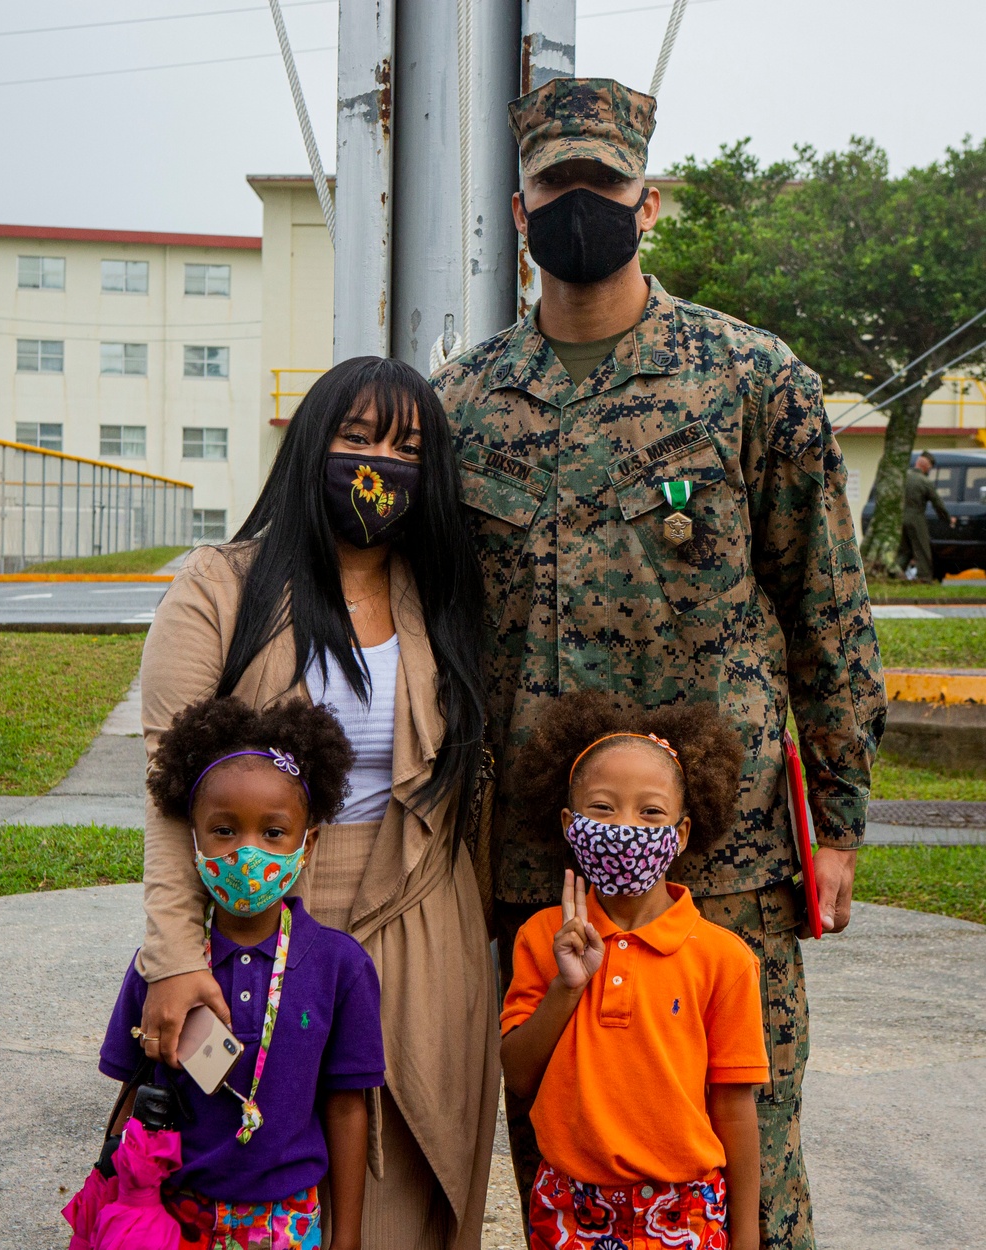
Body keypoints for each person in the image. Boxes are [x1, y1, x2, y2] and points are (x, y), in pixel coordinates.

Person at [433, 77, 887, 1250]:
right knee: (566, 1141)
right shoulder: (465, 404)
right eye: (556, 184)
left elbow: (825, 616)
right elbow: (440, 635)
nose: (580, 202)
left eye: (604, 183)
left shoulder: (753, 381)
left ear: (646, 200)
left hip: (724, 863)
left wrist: (833, 823)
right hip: (546, 863)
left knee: (745, 1143)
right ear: (518, 207)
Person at [134, 357, 500, 1250]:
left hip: (426, 918)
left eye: (409, 447)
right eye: (359, 437)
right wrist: (179, 957)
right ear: (310, 446)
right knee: (249, 1171)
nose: (383, 463)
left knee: (410, 1184)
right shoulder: (220, 587)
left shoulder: (442, 594)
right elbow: (170, 795)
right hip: (265, 919)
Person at [100, 697, 381, 1250]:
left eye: (273, 833)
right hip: (174, 1214)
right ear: (194, 841)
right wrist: (114, 1208)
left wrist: (345, 1239)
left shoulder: (341, 967)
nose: (247, 853)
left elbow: (348, 1107)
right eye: (224, 831)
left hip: (289, 1221)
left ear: (308, 843)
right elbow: (128, 1098)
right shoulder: (161, 969)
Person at [500, 693, 767, 1250]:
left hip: (688, 1208)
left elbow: (735, 1109)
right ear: (571, 826)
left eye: (650, 812)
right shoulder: (542, 938)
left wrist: (745, 1236)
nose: (626, 827)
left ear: (683, 832)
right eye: (603, 808)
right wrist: (566, 988)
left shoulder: (724, 958)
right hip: (569, 1205)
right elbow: (519, 1077)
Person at [897, 451, 955, 581]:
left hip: (900, 518)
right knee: (922, 549)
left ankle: (895, 573)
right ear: (926, 466)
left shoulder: (903, 477)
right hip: (916, 518)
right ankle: (924, 578)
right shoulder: (924, 482)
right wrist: (947, 519)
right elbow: (938, 503)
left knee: (904, 550)